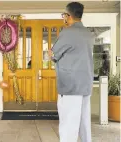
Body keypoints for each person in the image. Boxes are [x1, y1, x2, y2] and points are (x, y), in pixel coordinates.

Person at [48, 2, 94, 142]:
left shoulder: (67, 33)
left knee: (68, 125)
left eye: (64, 15)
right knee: (84, 122)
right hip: (86, 85)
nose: (63, 18)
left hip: (70, 86)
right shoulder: (88, 33)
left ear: (68, 16)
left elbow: (53, 54)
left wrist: (52, 54)